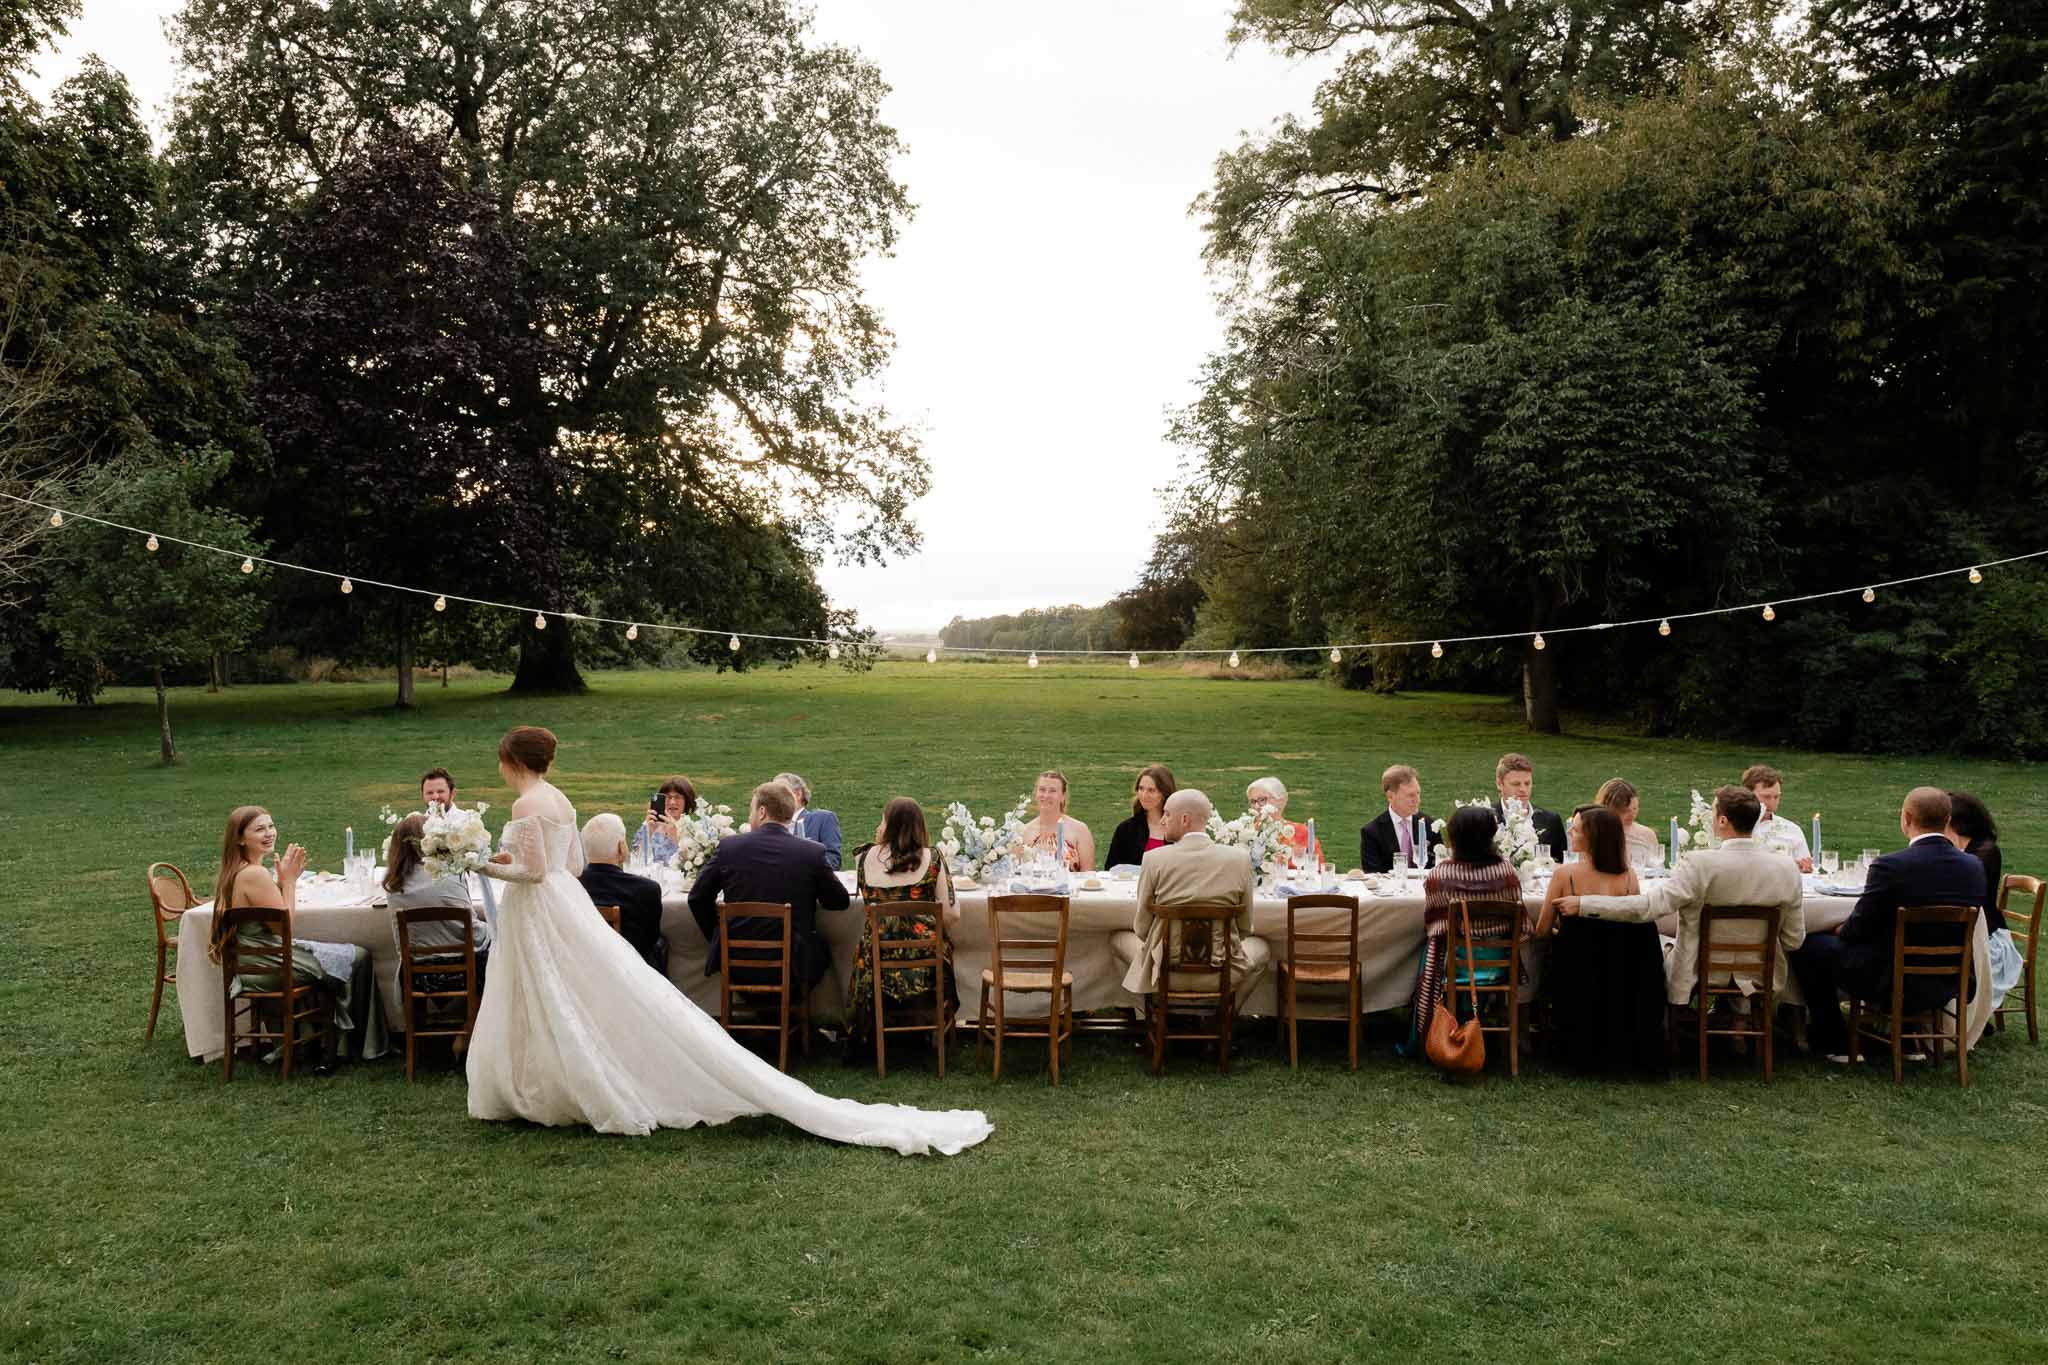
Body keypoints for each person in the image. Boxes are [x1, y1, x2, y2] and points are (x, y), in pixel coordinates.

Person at [465, 726, 989, 1152]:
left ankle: (543, 1081)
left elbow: (539, 874)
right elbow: (570, 864)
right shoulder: (559, 799)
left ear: (511, 761)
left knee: (545, 993)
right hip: (579, 908)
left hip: (553, 910)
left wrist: (476, 862)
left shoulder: (527, 804)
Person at [1559, 785, 1804, 1010]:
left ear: (1722, 820)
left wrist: (1583, 903)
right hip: (1761, 972)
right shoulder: (1786, 868)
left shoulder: (1700, 864)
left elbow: (1647, 907)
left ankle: (1656, 1025)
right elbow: (1794, 940)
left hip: (1699, 969)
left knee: (1657, 943)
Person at [1787, 787, 1983, 1061]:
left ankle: (1834, 1040)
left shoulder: (1891, 866)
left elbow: (1859, 928)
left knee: (1809, 945)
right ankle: (1908, 1039)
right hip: (1950, 977)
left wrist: (1841, 929)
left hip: (1889, 977)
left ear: (1906, 818)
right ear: (1947, 818)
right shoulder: (1972, 866)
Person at [209, 805, 375, 1064]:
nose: (269, 833)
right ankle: (355, 1045)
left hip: (253, 960)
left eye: (271, 826)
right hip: (266, 964)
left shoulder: (236, 869)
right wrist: (289, 882)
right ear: (240, 838)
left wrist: (280, 883)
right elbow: (284, 926)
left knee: (337, 953)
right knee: (359, 955)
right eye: (259, 829)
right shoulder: (254, 873)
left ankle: (312, 1039)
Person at [688, 780, 850, 994]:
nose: (749, 816)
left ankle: (762, 1014)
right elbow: (839, 901)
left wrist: (720, 936)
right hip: (794, 966)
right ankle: (793, 1016)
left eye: (751, 810)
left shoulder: (730, 848)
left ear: (762, 812)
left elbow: (697, 897)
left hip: (736, 960)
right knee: (820, 945)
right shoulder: (811, 853)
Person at [1533, 806, 1662, 1076]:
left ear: (1592, 837)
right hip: (1618, 974)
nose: (1569, 831)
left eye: (1576, 829)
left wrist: (1564, 934)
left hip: (1575, 974)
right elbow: (1630, 923)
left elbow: (1542, 930)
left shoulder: (1565, 875)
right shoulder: (1628, 876)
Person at [1112, 789, 1270, 1004]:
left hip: (1164, 973)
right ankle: (1225, 1018)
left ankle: (1150, 1018)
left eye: (1167, 814)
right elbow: (1244, 927)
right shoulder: (1239, 859)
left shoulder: (1153, 859)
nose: (1163, 821)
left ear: (1185, 820)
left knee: (1117, 940)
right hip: (1220, 972)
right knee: (1261, 947)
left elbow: (1142, 928)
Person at [1400, 805, 1526, 1057]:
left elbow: (1434, 924)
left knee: (1432, 946)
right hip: (1498, 967)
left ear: (1454, 837)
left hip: (1456, 964)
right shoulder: (1506, 872)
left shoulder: (1441, 874)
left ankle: (1428, 1032)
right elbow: (1520, 924)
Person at [845, 798, 960, 1053]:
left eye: (883, 820)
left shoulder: (863, 858)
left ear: (890, 825)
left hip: (876, 965)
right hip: (926, 967)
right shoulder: (933, 859)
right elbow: (952, 914)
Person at [384, 811, 493, 982]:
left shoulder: (392, 886)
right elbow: (475, 935)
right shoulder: (450, 874)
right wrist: (494, 930)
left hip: (416, 974)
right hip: (467, 972)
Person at [1947, 790, 2023, 1012]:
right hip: (1965, 927)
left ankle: (1962, 1015)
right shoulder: (1958, 848)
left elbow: (1967, 894)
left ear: (1957, 822)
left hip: (1986, 934)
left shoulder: (1985, 852)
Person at [578, 812, 669, 974]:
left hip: (586, 967)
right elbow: (651, 937)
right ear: (621, 848)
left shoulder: (574, 885)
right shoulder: (646, 889)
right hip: (635, 970)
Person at [1489, 753, 1567, 862]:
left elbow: (1562, 863)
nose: (1523, 789)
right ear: (1499, 784)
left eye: (1527, 783)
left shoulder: (1551, 820)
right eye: (1516, 784)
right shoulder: (1486, 817)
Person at [1017, 770, 1096, 872]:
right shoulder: (1023, 832)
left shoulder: (1080, 830)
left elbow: (1088, 874)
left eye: (1052, 791)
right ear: (1035, 793)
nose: (1046, 795)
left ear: (1063, 796)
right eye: (1042, 790)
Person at [1741, 764, 1814, 873]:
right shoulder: (1733, 826)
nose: (1772, 803)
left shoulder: (1792, 829)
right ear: (1748, 794)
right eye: (1766, 797)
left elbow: (1804, 869)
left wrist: (1805, 869)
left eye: (1776, 797)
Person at [1361, 764, 1431, 873]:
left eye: (1418, 793)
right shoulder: (1372, 832)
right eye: (1410, 795)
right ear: (1390, 796)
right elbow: (1373, 874)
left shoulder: (1429, 824)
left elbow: (1438, 867)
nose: (1417, 800)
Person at [1103, 765, 1176, 870]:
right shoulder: (1126, 829)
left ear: (1164, 793)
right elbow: (1110, 870)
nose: (1144, 795)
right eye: (1141, 789)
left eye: (1151, 790)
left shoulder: (1179, 830)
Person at [777, 772, 844, 870]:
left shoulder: (821, 818)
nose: (773, 798)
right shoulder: (768, 827)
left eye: (779, 792)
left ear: (798, 794)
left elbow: (833, 862)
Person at [1247, 776, 1321, 865]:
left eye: (1262, 800)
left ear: (1282, 800)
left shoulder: (1301, 832)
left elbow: (1317, 869)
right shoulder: (1245, 832)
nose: (1256, 806)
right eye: (1252, 801)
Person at [1595, 778, 1662, 870]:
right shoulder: (1594, 833)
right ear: (1609, 809)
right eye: (1625, 811)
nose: (1632, 815)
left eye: (1635, 808)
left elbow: (1659, 871)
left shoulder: (1647, 834)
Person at [639, 775, 697, 865]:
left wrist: (674, 837)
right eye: (668, 797)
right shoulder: (649, 824)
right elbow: (636, 860)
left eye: (677, 797)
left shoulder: (693, 830)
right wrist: (648, 832)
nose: (672, 802)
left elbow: (691, 866)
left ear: (687, 801)